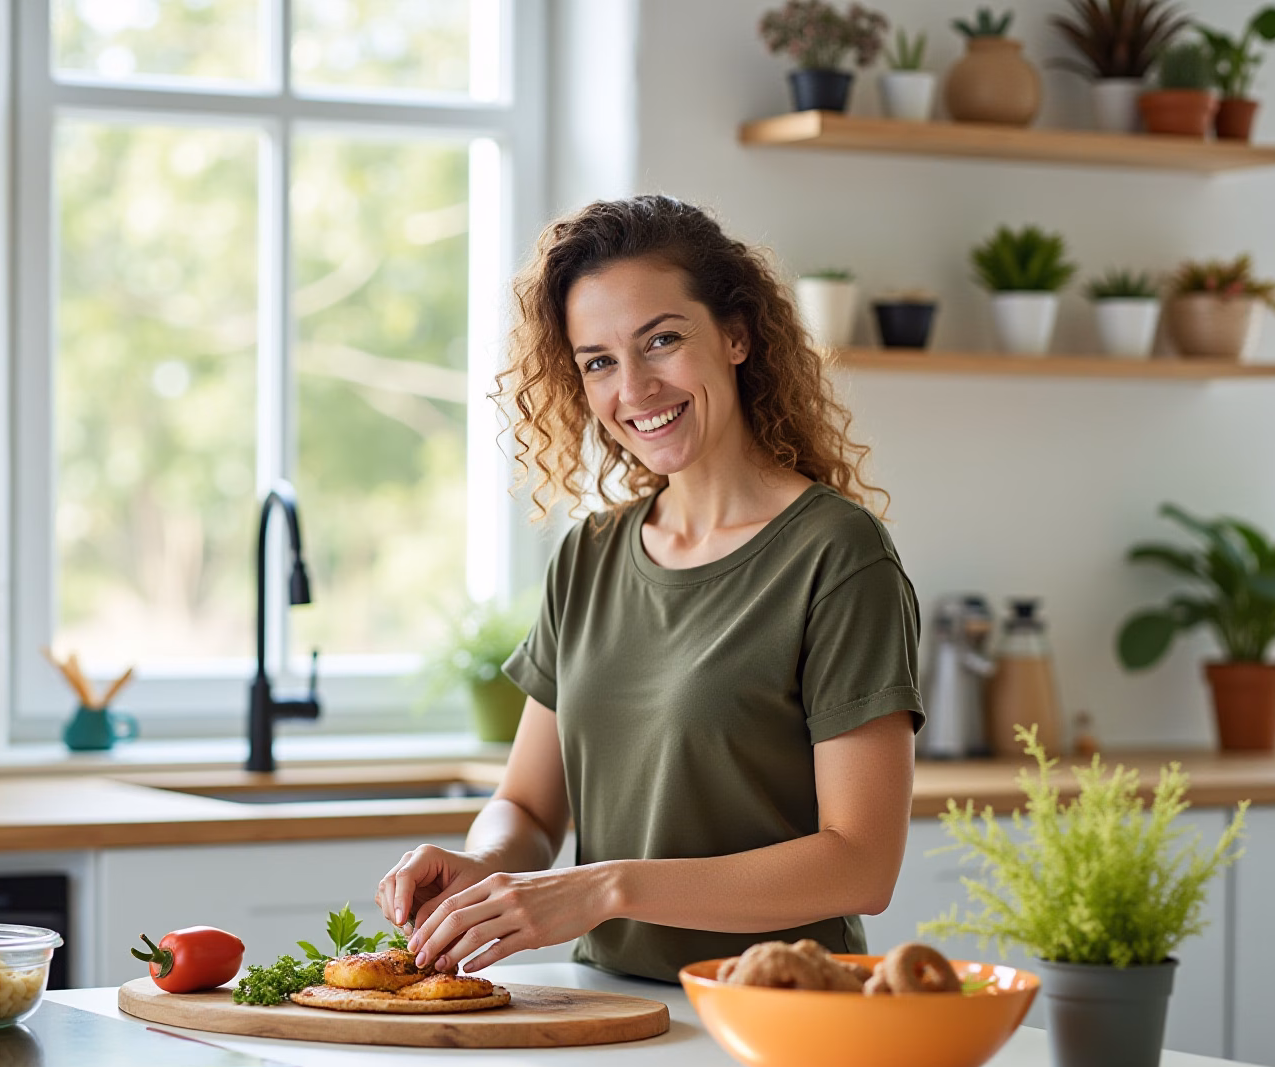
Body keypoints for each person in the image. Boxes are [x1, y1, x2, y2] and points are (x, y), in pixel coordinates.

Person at [375, 195, 923, 983]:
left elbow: (860, 865)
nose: (633, 389)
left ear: (736, 336)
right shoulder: (590, 555)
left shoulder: (837, 555)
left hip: (779, 1012)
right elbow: (529, 807)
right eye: (598, 360)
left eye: (661, 341)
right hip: (606, 1006)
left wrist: (605, 887)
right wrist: (485, 865)